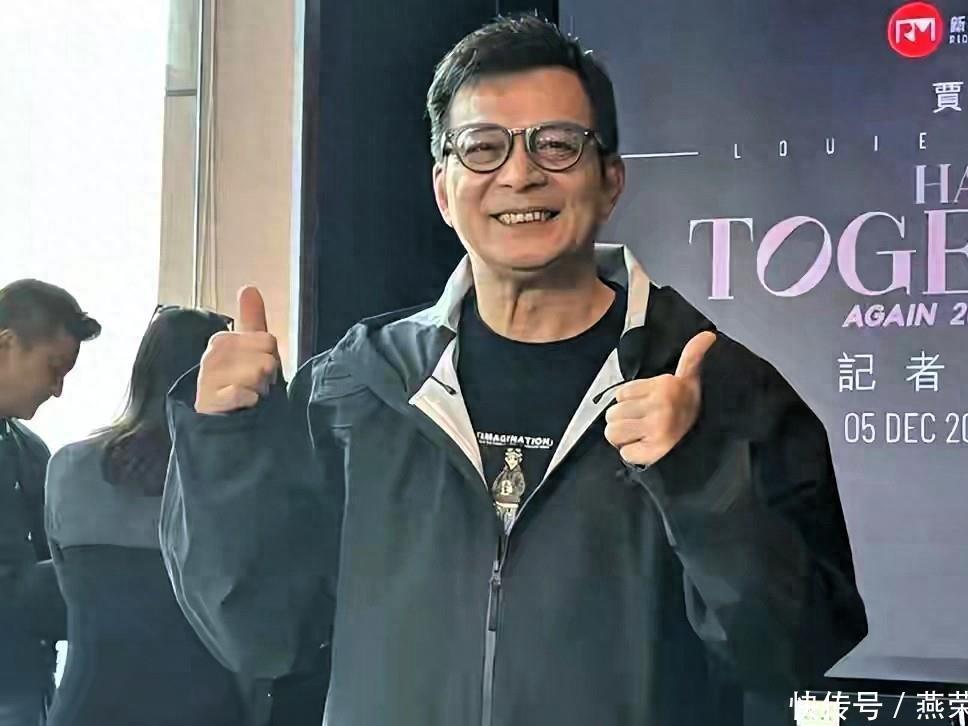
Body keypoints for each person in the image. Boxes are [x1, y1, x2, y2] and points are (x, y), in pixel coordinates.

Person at [161, 15, 867, 726]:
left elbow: (794, 651)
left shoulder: (723, 387)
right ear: (444, 190)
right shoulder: (358, 385)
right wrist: (224, 443)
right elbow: (262, 634)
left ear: (611, 180)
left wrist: (701, 474)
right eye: (483, 147)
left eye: (557, 144)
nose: (521, 173)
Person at [42, 306, 248, 726]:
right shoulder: (236, 478)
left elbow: (70, 589)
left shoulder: (68, 466)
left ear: (143, 372)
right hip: (203, 709)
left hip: (86, 708)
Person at [0, 280, 99, 726]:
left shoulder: (32, 450)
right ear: (6, 344)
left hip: (31, 685)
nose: (57, 389)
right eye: (53, 368)